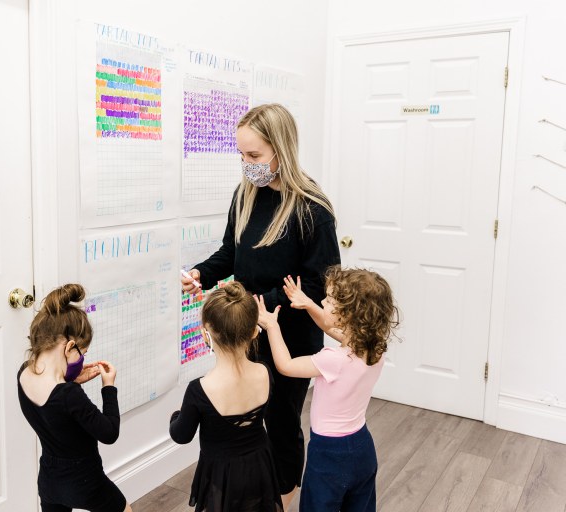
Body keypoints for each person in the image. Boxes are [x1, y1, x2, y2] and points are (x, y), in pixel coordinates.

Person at [180, 103, 340, 507]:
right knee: (245, 424)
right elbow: (230, 256)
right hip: (248, 329)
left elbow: (317, 285)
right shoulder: (246, 194)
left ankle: (284, 499)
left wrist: (258, 306)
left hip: (292, 338)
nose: (246, 165)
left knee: (283, 423)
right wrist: (201, 273)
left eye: (254, 156)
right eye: (241, 155)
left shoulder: (312, 210)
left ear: (281, 150)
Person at [256, 267, 400, 512]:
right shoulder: (375, 349)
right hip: (362, 447)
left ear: (347, 315)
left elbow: (286, 365)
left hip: (329, 455)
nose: (323, 301)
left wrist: (271, 326)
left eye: (329, 300)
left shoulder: (332, 359)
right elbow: (330, 326)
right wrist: (309, 304)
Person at [17, 283, 132, 512]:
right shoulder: (69, 395)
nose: (82, 359)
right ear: (69, 346)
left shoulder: (23, 374)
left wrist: (70, 379)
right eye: (82, 353)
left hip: (49, 481)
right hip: (85, 483)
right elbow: (109, 433)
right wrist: (108, 387)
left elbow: (53, 412)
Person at [169, 281, 283, 512]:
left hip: (221, 474)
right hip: (260, 465)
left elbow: (181, 435)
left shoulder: (200, 389)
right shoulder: (264, 372)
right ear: (254, 330)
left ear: (205, 334)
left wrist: (175, 417)